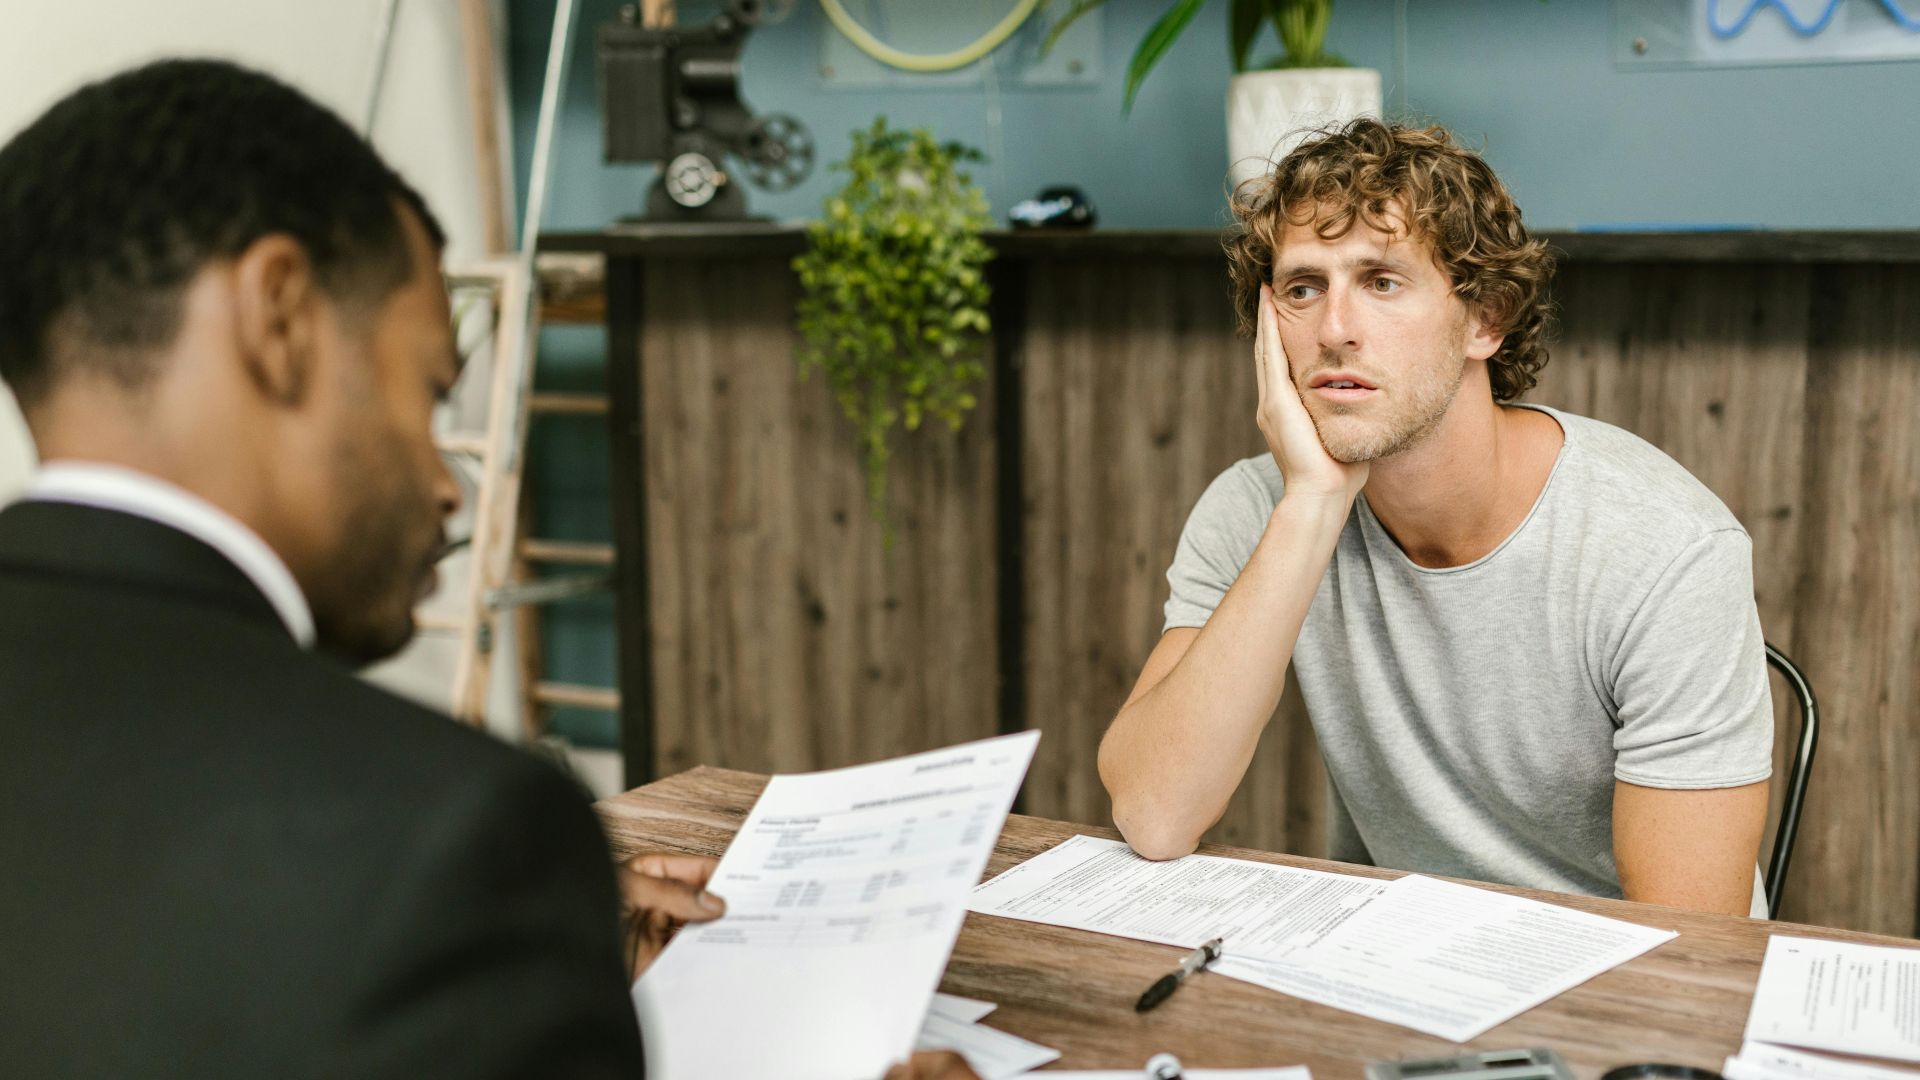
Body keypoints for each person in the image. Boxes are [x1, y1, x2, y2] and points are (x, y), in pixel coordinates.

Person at [0, 58, 972, 1079]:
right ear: (279, 319)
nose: (447, 484)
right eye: (427, 394)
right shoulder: (451, 840)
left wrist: (525, 996)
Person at [1098, 119, 1774, 918]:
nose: (1334, 329)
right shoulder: (1258, 509)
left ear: (1485, 320)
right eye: (1302, 288)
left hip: (1608, 992)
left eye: (1381, 281)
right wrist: (1313, 504)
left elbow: (1685, 945)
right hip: (1396, 964)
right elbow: (1154, 813)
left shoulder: (1665, 550)